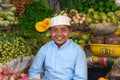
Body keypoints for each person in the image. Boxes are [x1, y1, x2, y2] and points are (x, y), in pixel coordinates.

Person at [28, 15, 87, 80]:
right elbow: (34, 72)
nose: (59, 34)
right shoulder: (44, 49)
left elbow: (81, 78)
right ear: (50, 32)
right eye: (55, 30)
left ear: (70, 32)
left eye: (63, 30)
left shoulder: (78, 51)